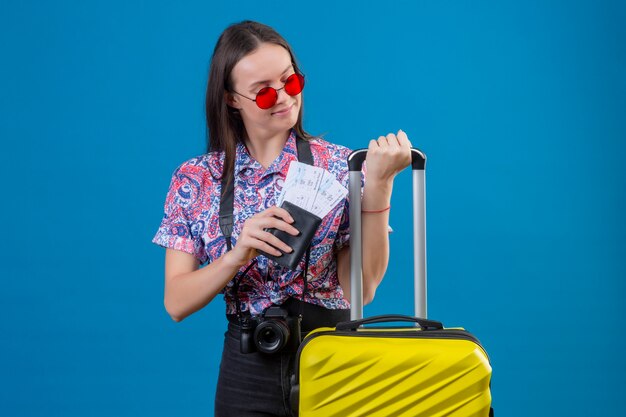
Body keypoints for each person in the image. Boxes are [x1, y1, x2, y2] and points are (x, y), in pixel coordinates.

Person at [152, 20, 412, 417]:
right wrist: (236, 255)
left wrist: (378, 188)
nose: (285, 98)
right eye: (264, 92)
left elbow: (362, 289)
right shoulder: (196, 178)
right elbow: (176, 302)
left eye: (290, 81)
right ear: (231, 99)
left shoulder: (342, 165)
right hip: (247, 369)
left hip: (333, 357)